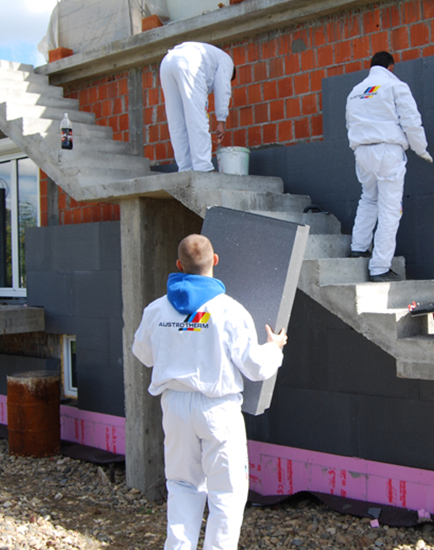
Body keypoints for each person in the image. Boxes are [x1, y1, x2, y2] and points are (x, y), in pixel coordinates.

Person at [132, 234, 288, 550]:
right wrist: (274, 347)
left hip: (175, 408)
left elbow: (144, 354)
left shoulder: (157, 310)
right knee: (226, 494)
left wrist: (179, 339)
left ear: (178, 265)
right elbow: (255, 367)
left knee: (182, 486)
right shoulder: (230, 310)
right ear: (215, 260)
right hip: (218, 409)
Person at [345, 51, 433, 283]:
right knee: (390, 209)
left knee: (368, 198)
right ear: (391, 67)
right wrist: (421, 149)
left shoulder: (355, 91)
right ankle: (380, 267)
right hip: (387, 150)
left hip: (362, 151)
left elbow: (349, 123)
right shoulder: (395, 86)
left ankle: (358, 247)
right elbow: (411, 121)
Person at [160, 42, 235, 172]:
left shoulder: (212, 56)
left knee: (177, 121)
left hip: (167, 62)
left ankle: (185, 168)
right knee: (197, 118)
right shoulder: (227, 61)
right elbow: (223, 88)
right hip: (189, 62)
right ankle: (203, 167)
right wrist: (221, 120)